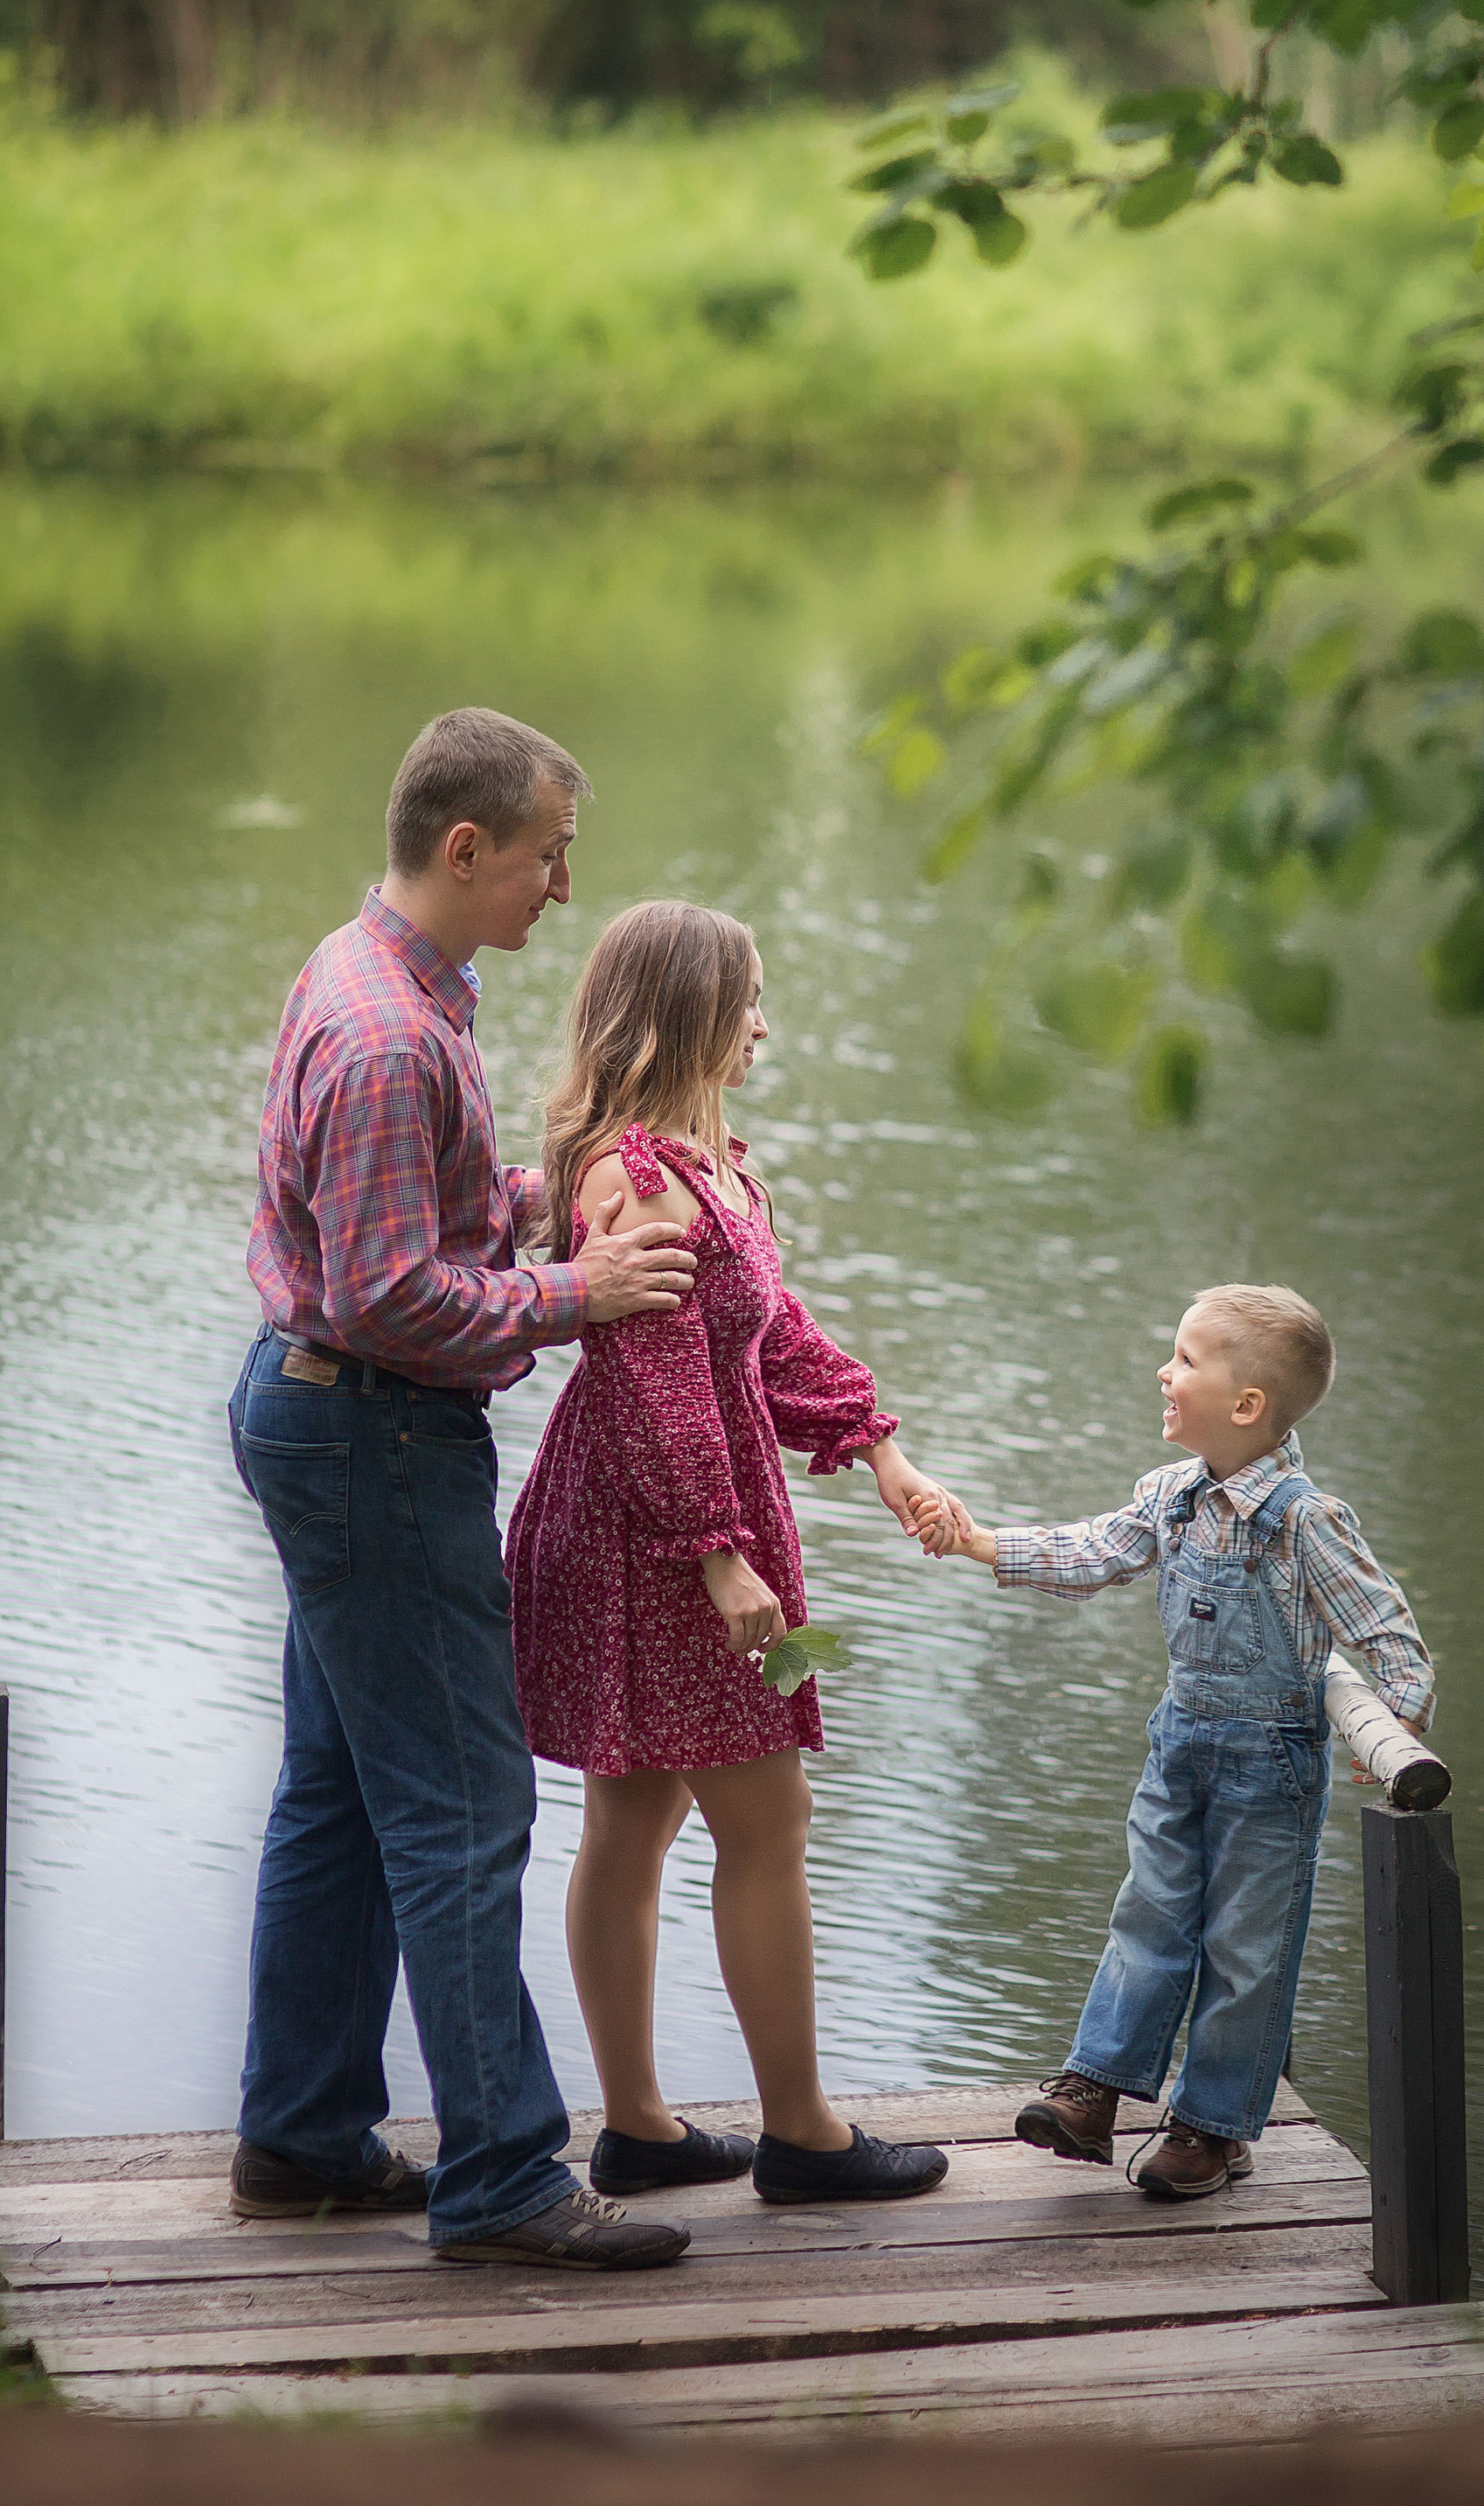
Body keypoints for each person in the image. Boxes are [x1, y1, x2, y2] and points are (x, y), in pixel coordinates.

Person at [226, 708, 705, 2272]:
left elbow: (422, 1213)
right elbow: (386, 1296)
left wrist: (554, 1196)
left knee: (342, 1792)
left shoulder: (388, 974)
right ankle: (502, 2175)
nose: (564, 886)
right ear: (467, 847)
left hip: (328, 1419)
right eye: (552, 853)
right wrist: (580, 1289)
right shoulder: (385, 1034)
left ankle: (300, 2134)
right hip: (370, 1429)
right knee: (464, 1810)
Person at [506, 899, 962, 2207]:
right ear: (691, 1010)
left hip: (675, 1513)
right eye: (749, 999)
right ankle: (805, 2135)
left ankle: (642, 2129)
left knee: (634, 1813)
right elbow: (658, 1389)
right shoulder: (637, 1180)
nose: (762, 1024)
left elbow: (768, 1339)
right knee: (767, 1817)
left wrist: (880, 1446)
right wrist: (719, 1554)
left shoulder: (705, 1171)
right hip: (660, 1529)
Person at [915, 1283, 1435, 2200]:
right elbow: (1089, 1552)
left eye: (1186, 1359)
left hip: (1271, 1762)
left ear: (1246, 1406)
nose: (1164, 1369)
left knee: (1246, 1948)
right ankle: (1096, 2089)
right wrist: (977, 1541)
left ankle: (1211, 2124)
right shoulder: (1172, 1497)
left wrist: (1394, 1718)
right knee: (1149, 1911)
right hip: (1179, 1743)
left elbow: (1386, 1628)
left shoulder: (1305, 1520)